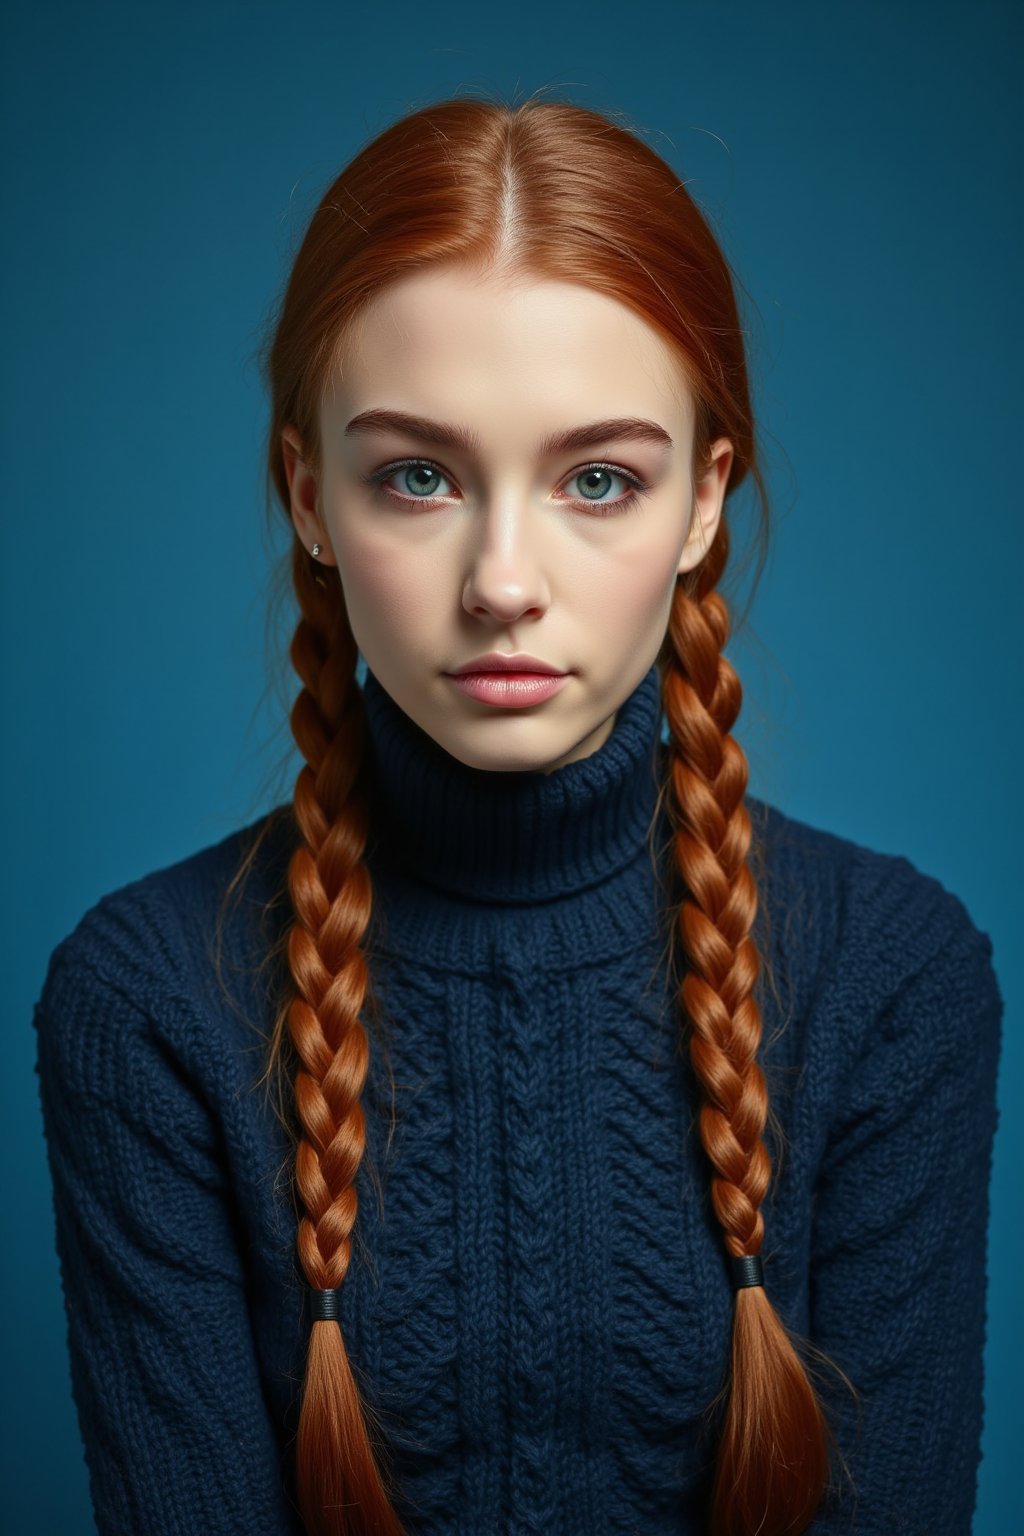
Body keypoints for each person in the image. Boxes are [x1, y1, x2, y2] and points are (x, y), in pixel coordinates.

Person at [32, 95, 1003, 1536]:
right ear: (309, 494)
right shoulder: (150, 1003)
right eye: (416, 476)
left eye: (597, 480)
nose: (501, 580)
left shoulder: (893, 977)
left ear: (700, 506)